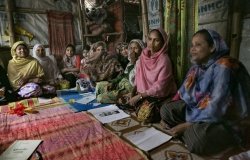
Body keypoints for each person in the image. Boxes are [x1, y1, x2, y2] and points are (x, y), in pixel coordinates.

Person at [160, 29, 250, 155]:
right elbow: (182, 93)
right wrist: (167, 114)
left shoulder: (225, 66)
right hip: (201, 112)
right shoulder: (198, 68)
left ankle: (192, 132)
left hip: (229, 121)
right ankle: (190, 131)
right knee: (166, 110)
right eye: (192, 45)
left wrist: (187, 125)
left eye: (198, 45)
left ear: (212, 47)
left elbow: (217, 107)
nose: (192, 49)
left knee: (198, 139)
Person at [128, 28, 177, 107]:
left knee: (145, 113)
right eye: (150, 39)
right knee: (123, 101)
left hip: (158, 96)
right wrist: (132, 92)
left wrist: (140, 96)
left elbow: (160, 86)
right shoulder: (143, 56)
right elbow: (137, 77)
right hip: (142, 94)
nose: (152, 43)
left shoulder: (164, 60)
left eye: (156, 40)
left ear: (162, 43)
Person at [96, 39, 145, 104]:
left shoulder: (143, 62)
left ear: (142, 49)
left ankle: (121, 101)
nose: (133, 50)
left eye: (135, 48)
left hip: (131, 89)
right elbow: (124, 75)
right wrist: (112, 82)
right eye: (131, 48)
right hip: (122, 84)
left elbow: (135, 81)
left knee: (100, 98)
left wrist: (133, 62)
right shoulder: (130, 62)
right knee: (99, 86)